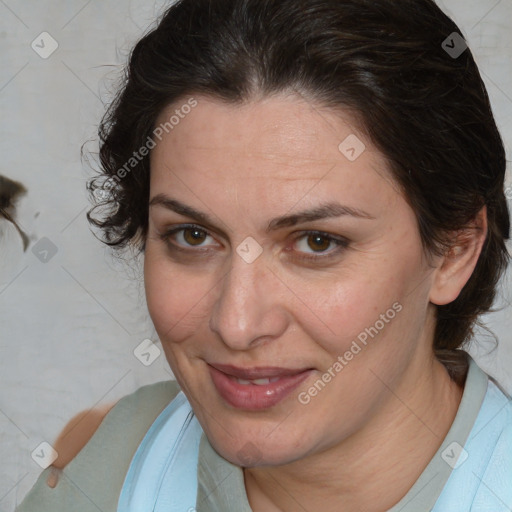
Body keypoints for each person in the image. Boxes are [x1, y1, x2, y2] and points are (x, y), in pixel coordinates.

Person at [16, 0, 512, 510]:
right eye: (192, 236)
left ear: (454, 252)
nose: (237, 324)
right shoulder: (105, 470)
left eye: (317, 242)